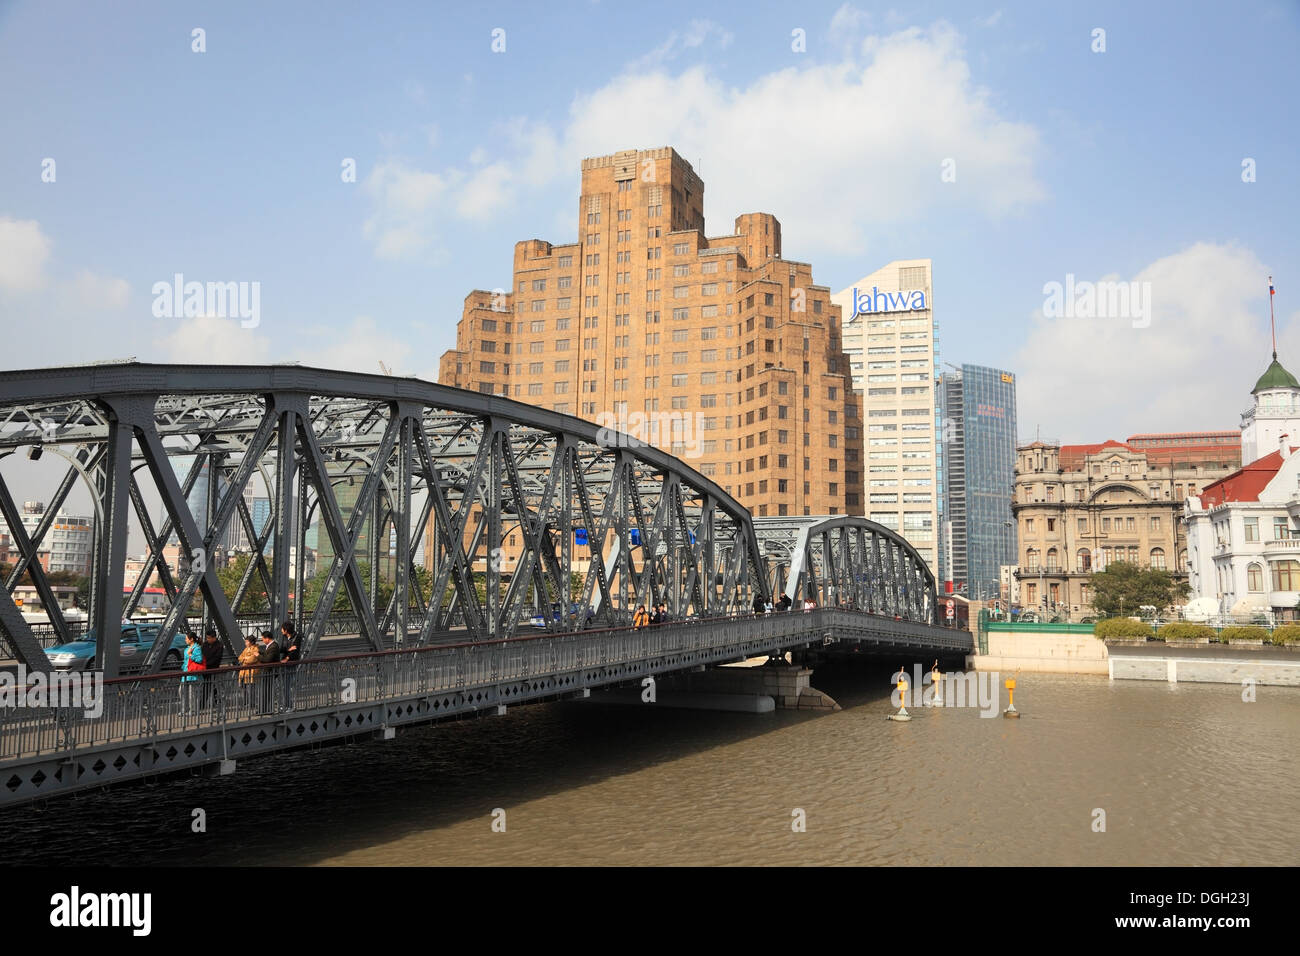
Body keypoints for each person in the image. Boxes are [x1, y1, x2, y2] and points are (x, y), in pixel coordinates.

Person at [178, 631, 204, 716]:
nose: (185, 640)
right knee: (182, 691)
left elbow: (199, 659)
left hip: (193, 674)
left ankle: (193, 710)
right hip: (186, 673)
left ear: (191, 639)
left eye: (186, 638)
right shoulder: (188, 648)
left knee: (192, 694)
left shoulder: (197, 648)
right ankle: (184, 709)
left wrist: (190, 655)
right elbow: (186, 661)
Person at [257, 629, 281, 714]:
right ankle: (264, 709)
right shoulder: (271, 646)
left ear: (267, 638)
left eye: (263, 639)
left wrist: (258, 656)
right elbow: (267, 655)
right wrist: (260, 652)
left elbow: (268, 659)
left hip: (270, 672)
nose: (262, 641)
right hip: (268, 672)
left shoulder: (274, 646)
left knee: (266, 691)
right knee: (265, 691)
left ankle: (265, 709)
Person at [279, 620, 300, 712]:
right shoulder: (284, 637)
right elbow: (284, 648)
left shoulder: (297, 637)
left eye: (282, 629)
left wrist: (287, 658)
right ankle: (285, 705)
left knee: (289, 685)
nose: (281, 631)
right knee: (284, 686)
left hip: (291, 662)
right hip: (285, 663)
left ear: (286, 630)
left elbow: (295, 651)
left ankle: (290, 706)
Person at [201, 627, 223, 711]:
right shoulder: (205, 644)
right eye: (207, 638)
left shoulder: (219, 645)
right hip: (205, 669)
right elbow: (202, 654)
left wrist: (207, 664)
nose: (207, 639)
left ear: (214, 637)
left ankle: (202, 705)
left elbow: (217, 658)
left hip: (213, 669)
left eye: (209, 638)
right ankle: (218, 701)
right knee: (211, 687)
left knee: (207, 686)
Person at [237, 634, 261, 709]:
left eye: (247, 642)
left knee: (250, 689)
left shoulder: (256, 649)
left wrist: (245, 659)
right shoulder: (246, 649)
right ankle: (246, 703)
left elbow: (252, 659)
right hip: (244, 672)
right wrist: (246, 658)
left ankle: (251, 703)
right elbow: (240, 657)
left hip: (251, 671)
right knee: (244, 688)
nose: (245, 643)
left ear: (251, 642)